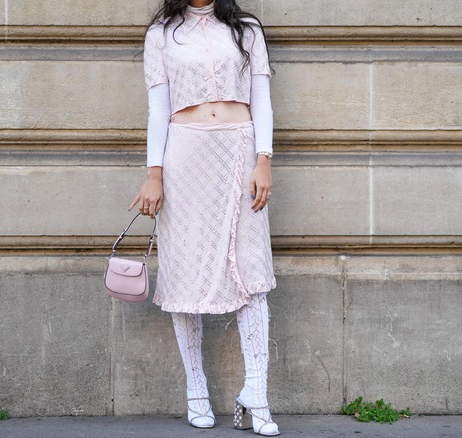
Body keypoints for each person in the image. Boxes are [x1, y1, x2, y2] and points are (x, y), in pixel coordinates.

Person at [128, 0, 278, 435]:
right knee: (186, 269)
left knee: (251, 271)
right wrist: (154, 174)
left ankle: (257, 394)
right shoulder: (161, 33)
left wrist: (263, 160)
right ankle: (196, 389)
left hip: (239, 150)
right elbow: (158, 111)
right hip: (185, 156)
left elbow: (262, 100)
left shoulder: (245, 28)